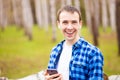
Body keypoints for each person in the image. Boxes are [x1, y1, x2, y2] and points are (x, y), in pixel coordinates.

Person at [44, 5, 104, 80]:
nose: (70, 27)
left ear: (80, 24)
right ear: (59, 24)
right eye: (65, 22)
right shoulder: (55, 51)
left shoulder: (93, 53)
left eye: (74, 22)